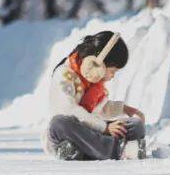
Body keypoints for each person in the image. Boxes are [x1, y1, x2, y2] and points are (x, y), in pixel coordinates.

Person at [43, 29, 148, 162]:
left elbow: (99, 108)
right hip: (67, 132)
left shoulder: (94, 82)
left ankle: (78, 151)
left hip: (92, 132)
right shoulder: (64, 74)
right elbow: (69, 110)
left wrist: (123, 108)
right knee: (59, 123)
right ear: (99, 63)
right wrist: (105, 128)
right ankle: (117, 151)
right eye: (112, 71)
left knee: (135, 125)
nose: (112, 75)